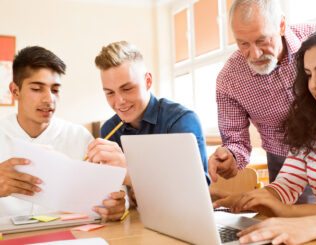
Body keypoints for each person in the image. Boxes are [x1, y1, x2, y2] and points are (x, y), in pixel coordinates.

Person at [220, 4, 316, 242]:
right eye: (308, 75)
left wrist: (294, 213)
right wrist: (253, 200)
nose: (313, 84)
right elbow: (287, 183)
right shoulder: (312, 128)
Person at [208, 0, 316, 203]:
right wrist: (230, 158)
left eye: (262, 41)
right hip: (285, 164)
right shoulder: (229, 80)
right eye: (243, 43)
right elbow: (236, 141)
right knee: (288, 225)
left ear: (281, 25)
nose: (254, 54)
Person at [0, 46, 125, 221]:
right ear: (15, 91)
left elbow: (113, 195)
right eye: (37, 89)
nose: (49, 99)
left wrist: (117, 207)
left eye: (55, 90)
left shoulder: (80, 138)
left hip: (69, 234)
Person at [87, 41, 209, 187]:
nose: (119, 101)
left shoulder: (181, 121)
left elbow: (194, 189)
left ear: (148, 81)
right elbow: (118, 194)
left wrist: (130, 175)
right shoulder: (109, 129)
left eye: (127, 89)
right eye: (110, 93)